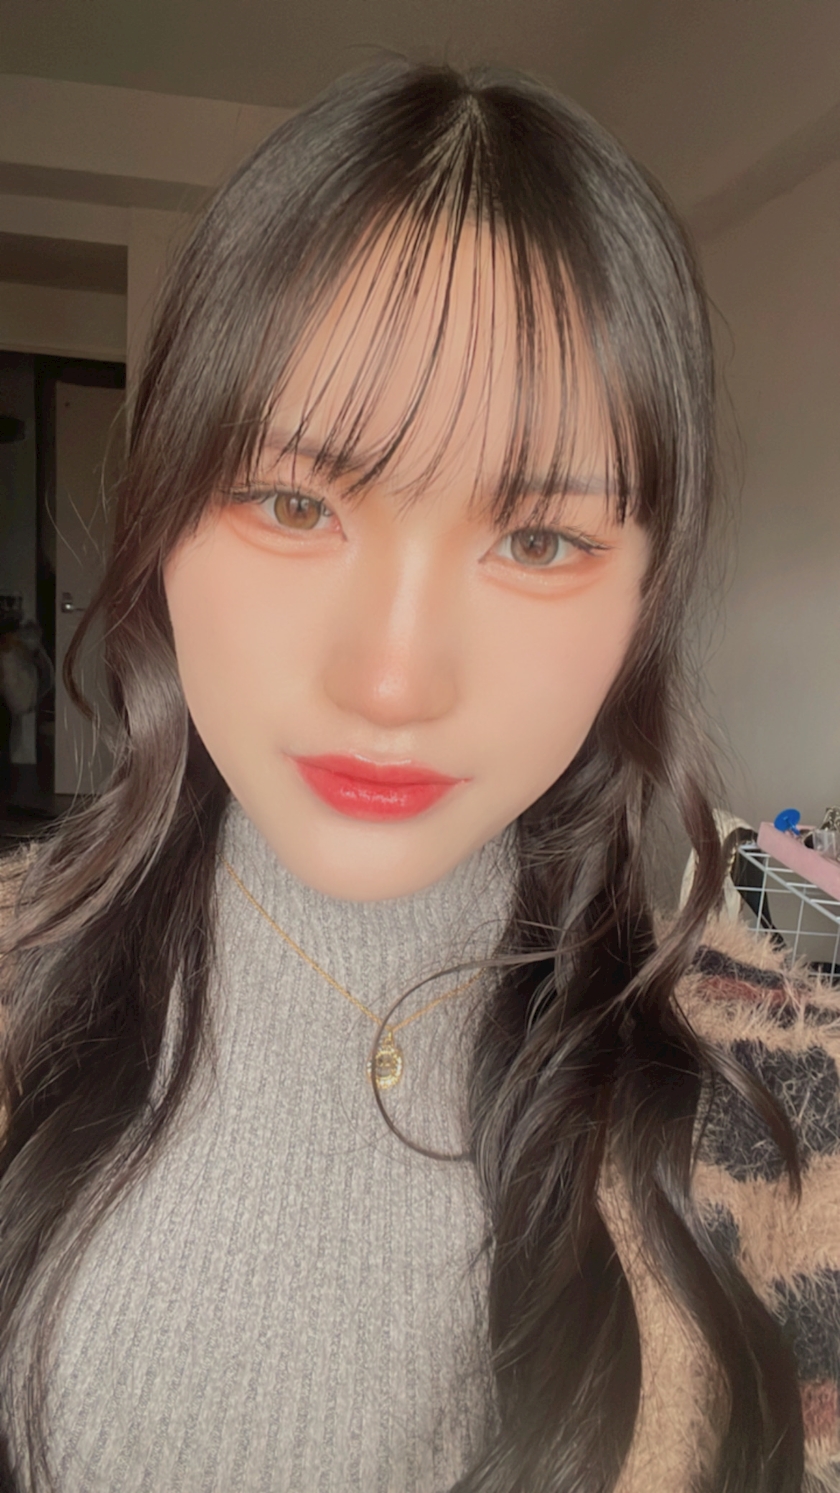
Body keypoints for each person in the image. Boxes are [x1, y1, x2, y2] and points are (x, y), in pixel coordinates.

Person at [0, 58, 838, 1493]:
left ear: (644, 595)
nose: (392, 684)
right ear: (162, 523)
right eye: (293, 502)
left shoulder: (780, 1086)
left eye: (537, 541)